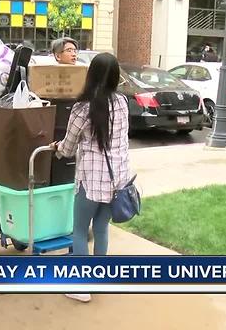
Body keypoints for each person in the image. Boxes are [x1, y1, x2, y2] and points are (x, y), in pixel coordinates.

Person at [52, 53, 131, 303]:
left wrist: (57, 148)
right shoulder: (121, 103)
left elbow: (67, 147)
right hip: (116, 179)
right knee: (101, 228)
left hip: (90, 180)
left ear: (91, 74)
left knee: (79, 230)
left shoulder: (81, 107)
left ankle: (81, 286)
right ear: (116, 76)